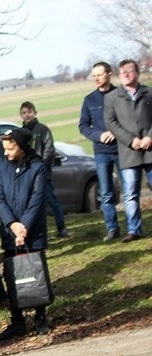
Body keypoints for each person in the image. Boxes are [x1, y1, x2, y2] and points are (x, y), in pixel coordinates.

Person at [0, 128, 50, 339]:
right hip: (10, 233)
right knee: (12, 274)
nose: (6, 153)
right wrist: (11, 224)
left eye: (10, 148)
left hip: (32, 232)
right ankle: (17, 320)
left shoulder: (38, 168)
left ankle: (40, 315)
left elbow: (37, 199)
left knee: (36, 271)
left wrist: (24, 226)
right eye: (4, 148)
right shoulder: (2, 169)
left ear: (22, 147)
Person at [104, 58, 149, 243]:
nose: (126, 75)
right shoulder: (112, 98)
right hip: (128, 152)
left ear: (137, 73)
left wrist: (149, 137)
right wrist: (131, 141)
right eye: (123, 72)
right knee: (130, 193)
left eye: (130, 71)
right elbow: (111, 123)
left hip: (150, 149)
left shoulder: (149, 93)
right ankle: (134, 230)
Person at [79, 62, 122, 241]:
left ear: (109, 74)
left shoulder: (120, 94)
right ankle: (112, 228)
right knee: (105, 192)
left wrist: (116, 132)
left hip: (122, 148)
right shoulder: (89, 100)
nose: (96, 78)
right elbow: (83, 126)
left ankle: (134, 227)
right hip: (101, 152)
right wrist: (98, 135)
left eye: (99, 74)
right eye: (94, 75)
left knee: (128, 189)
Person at [20, 101, 69, 238]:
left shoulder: (43, 129)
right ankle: (36, 231)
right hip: (28, 174)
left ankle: (61, 228)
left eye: (29, 112)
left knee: (52, 200)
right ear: (21, 115)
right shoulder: (21, 132)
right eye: (24, 113)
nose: (27, 115)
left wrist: (42, 165)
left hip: (42, 172)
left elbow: (49, 150)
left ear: (35, 113)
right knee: (32, 204)